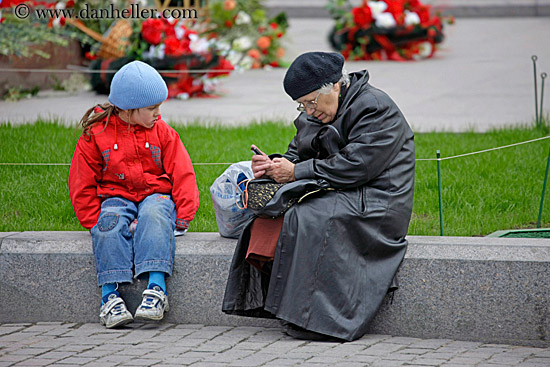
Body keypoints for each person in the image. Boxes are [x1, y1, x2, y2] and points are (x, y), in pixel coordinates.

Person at [222, 52, 415, 341]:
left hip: (377, 200)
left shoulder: (375, 108)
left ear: (336, 85)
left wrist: (295, 173)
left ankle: (325, 322)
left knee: (309, 217)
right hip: (337, 188)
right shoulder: (317, 110)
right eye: (302, 105)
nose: (308, 111)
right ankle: (285, 310)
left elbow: (356, 167)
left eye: (311, 102)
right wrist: (273, 165)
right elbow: (296, 153)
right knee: (269, 217)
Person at [68, 61, 199, 328]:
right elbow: (81, 181)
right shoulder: (96, 135)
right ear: (129, 108)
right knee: (109, 224)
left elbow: (182, 172)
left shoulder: (162, 132)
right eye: (152, 108)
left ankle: (156, 289)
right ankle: (110, 296)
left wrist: (183, 216)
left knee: (154, 215)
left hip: (155, 194)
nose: (158, 114)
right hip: (116, 196)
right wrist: (94, 222)